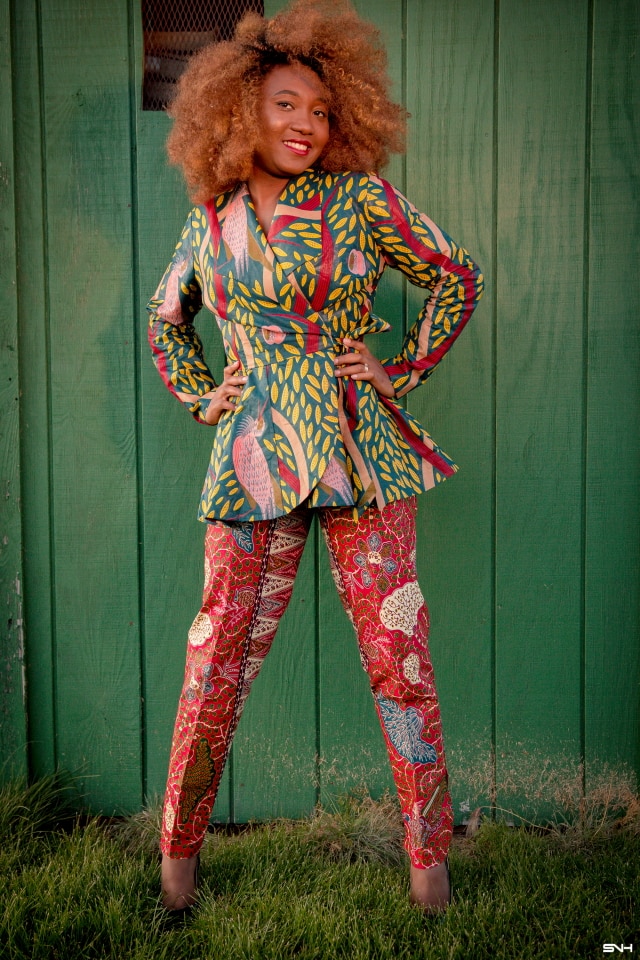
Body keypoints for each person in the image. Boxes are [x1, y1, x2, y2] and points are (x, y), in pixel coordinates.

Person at [147, 0, 483, 916]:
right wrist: (199, 394)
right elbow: (166, 320)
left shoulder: (360, 200)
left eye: (322, 110)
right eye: (287, 104)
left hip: (361, 455)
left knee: (398, 658)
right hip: (254, 459)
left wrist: (397, 369)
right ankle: (175, 868)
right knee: (216, 660)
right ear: (238, 108)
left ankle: (430, 870)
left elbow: (457, 274)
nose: (306, 124)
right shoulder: (209, 223)